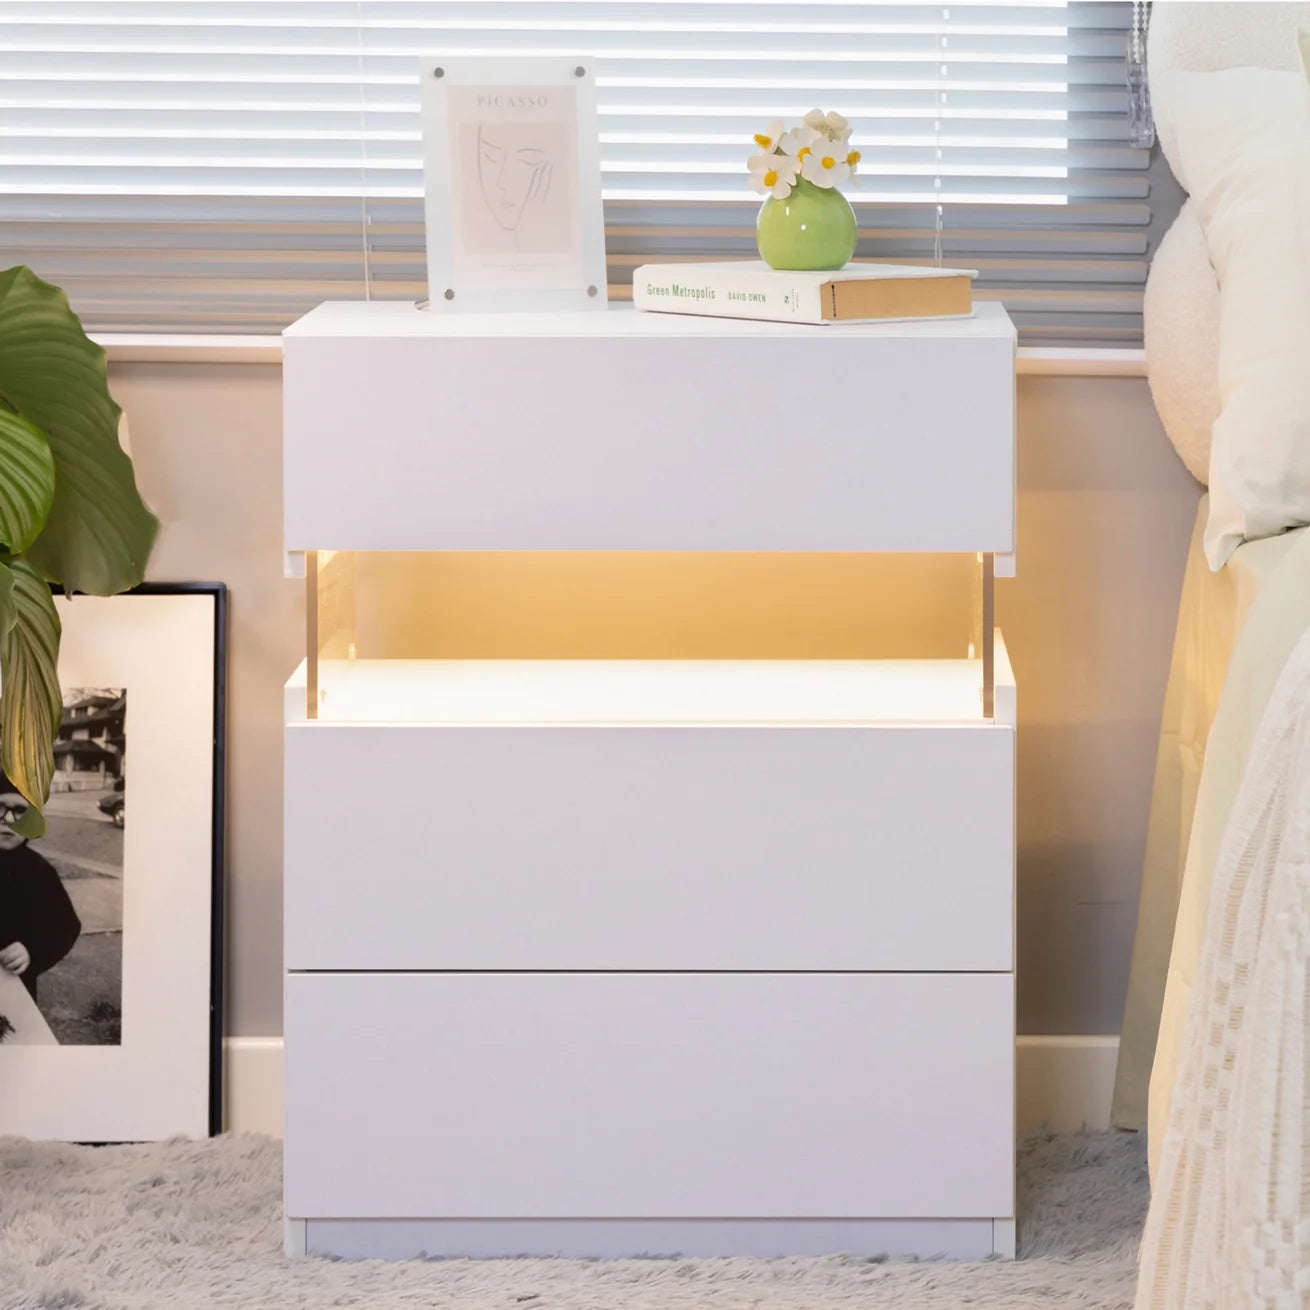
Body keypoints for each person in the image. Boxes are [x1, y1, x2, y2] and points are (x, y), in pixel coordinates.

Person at [0, 780, 80, 1003]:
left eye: (20, 811)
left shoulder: (40, 873)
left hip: (13, 991)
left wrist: (31, 951)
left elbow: (65, 926)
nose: (8, 820)